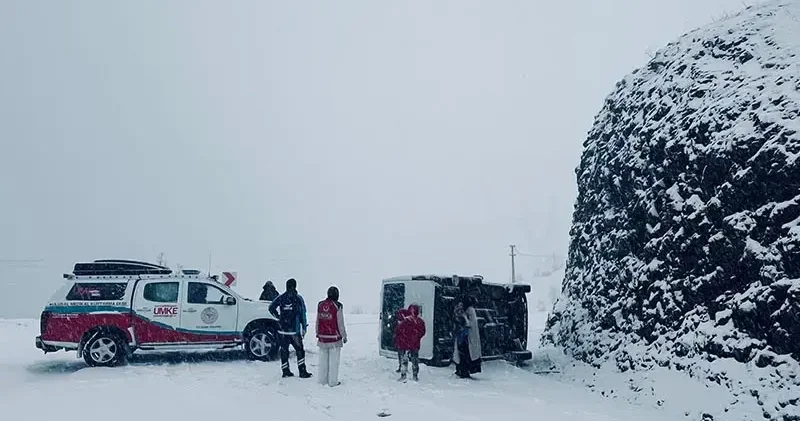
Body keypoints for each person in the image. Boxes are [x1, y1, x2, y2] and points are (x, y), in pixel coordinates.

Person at [268, 278, 312, 378]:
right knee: (300, 350)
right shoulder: (298, 298)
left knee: (284, 350)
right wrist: (304, 327)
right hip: (294, 331)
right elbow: (302, 314)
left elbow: (271, 307)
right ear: (295, 286)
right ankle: (302, 371)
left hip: (282, 330)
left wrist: (278, 317)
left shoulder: (281, 297)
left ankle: (285, 370)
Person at [316, 285, 348, 387]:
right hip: (334, 338)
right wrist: (344, 335)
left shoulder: (320, 305)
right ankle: (333, 382)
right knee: (334, 362)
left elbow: (318, 320)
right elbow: (340, 323)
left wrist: (317, 332)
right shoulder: (337, 306)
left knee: (323, 362)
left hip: (322, 338)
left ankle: (322, 380)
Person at [394, 303, 426, 381]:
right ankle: (415, 376)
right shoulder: (420, 321)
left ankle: (403, 375)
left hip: (404, 344)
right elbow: (423, 332)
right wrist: (416, 337)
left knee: (404, 360)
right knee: (415, 360)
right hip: (415, 344)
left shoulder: (405, 321)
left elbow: (398, 331)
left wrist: (402, 338)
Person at [453, 295, 481, 378]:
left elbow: (469, 324)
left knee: (465, 354)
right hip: (464, 337)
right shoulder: (469, 310)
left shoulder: (470, 310)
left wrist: (463, 317)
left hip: (466, 337)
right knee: (463, 353)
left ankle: (464, 370)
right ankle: (462, 369)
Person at [393, 307, 411, 373]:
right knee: (403, 355)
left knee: (402, 355)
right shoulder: (407, 323)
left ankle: (403, 369)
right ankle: (403, 368)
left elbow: (397, 333)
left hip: (402, 343)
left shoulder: (403, 324)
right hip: (403, 342)